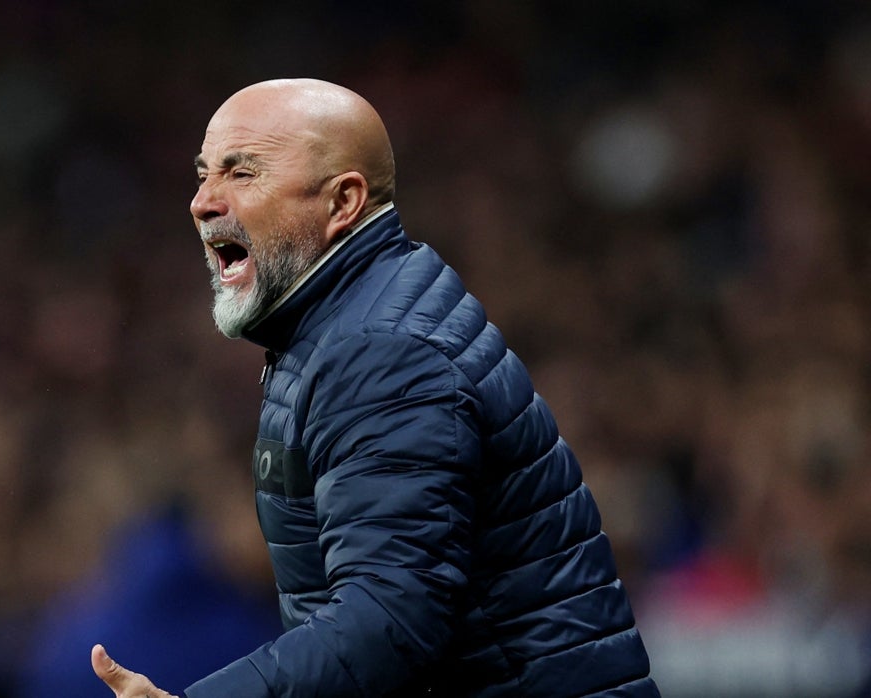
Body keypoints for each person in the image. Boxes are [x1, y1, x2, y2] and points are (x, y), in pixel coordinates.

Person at [92, 78, 659, 697]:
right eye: (204, 174)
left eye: (242, 173)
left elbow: (391, 617)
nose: (202, 202)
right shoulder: (348, 322)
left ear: (344, 202)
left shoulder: (381, 353)